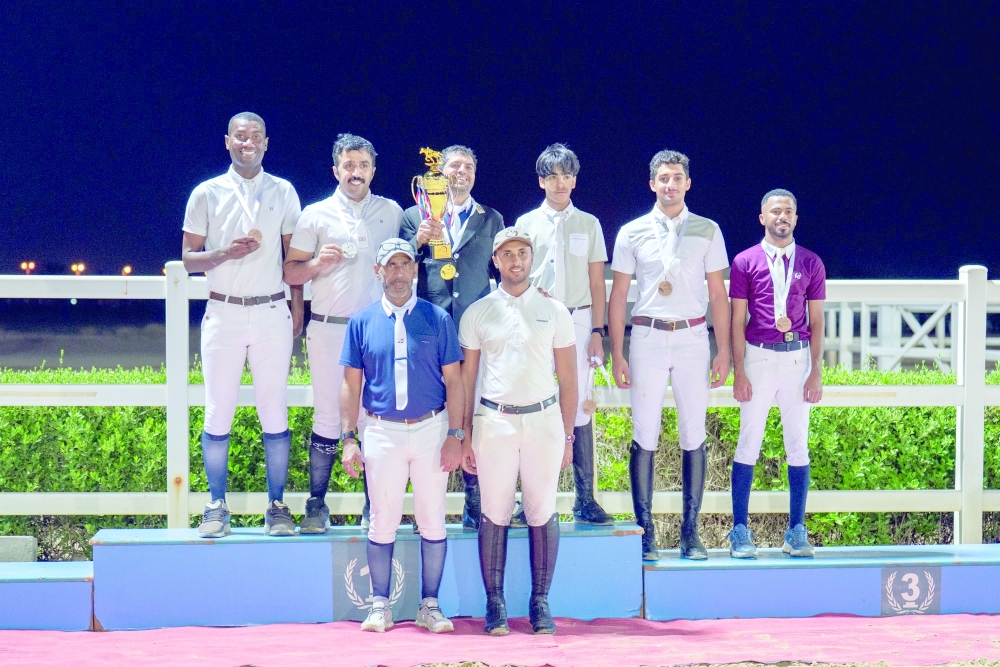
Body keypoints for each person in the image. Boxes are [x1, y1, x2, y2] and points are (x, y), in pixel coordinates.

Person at [181, 112, 302, 538]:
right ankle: (216, 506)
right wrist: (225, 254)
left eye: (255, 137)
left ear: (267, 143)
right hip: (223, 311)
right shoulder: (206, 193)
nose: (247, 142)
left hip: (271, 311)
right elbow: (188, 259)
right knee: (218, 410)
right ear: (227, 141)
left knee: (274, 409)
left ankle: (277, 506)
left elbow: (293, 260)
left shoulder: (284, 191)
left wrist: (298, 308)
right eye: (240, 136)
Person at [608, 149, 731, 561]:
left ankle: (689, 532)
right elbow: (619, 294)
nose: (671, 184)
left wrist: (723, 349)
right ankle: (646, 533)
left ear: (688, 183)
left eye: (677, 177)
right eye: (663, 178)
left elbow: (718, 294)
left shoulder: (708, 230)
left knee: (693, 433)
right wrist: (617, 352)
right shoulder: (632, 231)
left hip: (694, 339)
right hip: (646, 337)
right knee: (645, 434)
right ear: (652, 184)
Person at [339, 238, 466, 633]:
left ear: (415, 270)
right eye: (389, 266)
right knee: (382, 521)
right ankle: (380, 605)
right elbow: (350, 385)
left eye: (404, 265)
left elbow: (455, 382)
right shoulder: (361, 322)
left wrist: (456, 434)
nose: (397, 273)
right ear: (378, 271)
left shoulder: (437, 318)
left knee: (433, 520)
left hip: (432, 429)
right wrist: (348, 438)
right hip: (381, 432)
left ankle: (430, 605)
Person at [459, 228, 577, 635]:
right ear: (496, 260)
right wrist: (464, 432)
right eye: (506, 254)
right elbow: (466, 379)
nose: (515, 261)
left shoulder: (555, 311)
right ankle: (495, 603)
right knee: (494, 510)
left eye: (522, 253)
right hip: (494, 422)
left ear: (532, 258)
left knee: (542, 508)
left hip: (543, 421)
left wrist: (567, 435)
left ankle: (540, 602)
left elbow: (569, 379)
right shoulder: (478, 312)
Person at [283, 133, 402, 534]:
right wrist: (317, 264)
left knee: (374, 419)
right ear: (336, 170)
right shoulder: (315, 214)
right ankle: (316, 504)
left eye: (363, 165)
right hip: (330, 329)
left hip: (378, 330)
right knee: (328, 415)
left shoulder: (391, 211)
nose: (356, 173)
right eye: (348, 166)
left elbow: (405, 264)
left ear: (373, 169)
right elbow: (290, 272)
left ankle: (374, 507)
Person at [400, 144, 504, 531]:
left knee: (474, 413)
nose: (461, 172)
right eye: (454, 166)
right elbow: (398, 265)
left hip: (475, 330)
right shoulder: (415, 216)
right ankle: (428, 505)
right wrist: (418, 241)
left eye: (468, 167)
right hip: (429, 329)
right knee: (430, 415)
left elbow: (503, 274)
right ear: (439, 174)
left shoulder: (490, 218)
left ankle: (475, 502)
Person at [514, 143, 612, 526]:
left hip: (579, 319)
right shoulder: (525, 223)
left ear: (574, 179)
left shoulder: (588, 223)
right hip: (535, 319)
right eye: (552, 176)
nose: (560, 183)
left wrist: (598, 331)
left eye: (566, 175)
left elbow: (596, 281)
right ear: (541, 181)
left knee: (580, 407)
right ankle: (531, 501)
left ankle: (585, 499)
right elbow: (516, 276)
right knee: (532, 402)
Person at [728, 189, 825, 559]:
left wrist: (816, 372)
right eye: (775, 211)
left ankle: (796, 530)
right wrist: (740, 370)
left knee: (797, 442)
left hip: (797, 359)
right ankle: (740, 530)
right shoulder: (744, 261)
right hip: (758, 357)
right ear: (762, 217)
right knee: (748, 439)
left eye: (788, 211)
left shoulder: (812, 262)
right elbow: (737, 320)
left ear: (796, 218)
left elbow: (816, 321)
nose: (781, 217)